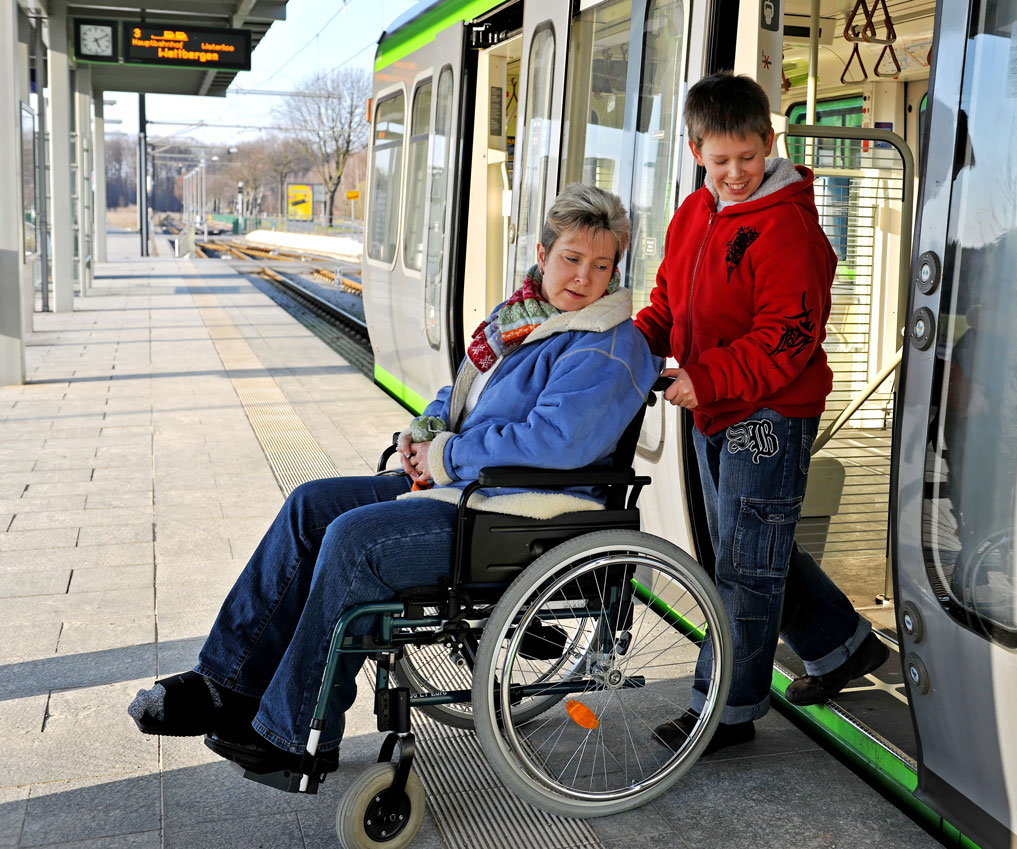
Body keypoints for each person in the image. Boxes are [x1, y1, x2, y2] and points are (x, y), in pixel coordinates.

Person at [128, 184, 661, 777]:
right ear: (542, 254)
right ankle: (228, 684)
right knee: (311, 505)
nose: (584, 276)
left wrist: (447, 455)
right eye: (571, 258)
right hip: (466, 486)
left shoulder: (610, 343)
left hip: (522, 510)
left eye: (601, 265)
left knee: (356, 540)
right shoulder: (519, 321)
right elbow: (464, 395)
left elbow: (556, 443)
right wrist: (423, 431)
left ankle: (299, 732)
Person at [635, 73, 888, 753]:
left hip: (768, 414)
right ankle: (841, 645)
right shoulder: (693, 214)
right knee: (752, 547)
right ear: (696, 153)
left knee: (743, 565)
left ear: (769, 143)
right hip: (714, 406)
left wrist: (706, 377)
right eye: (720, 162)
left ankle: (726, 710)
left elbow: (788, 336)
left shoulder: (788, 229)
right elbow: (669, 303)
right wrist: (630, 346)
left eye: (748, 157)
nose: (736, 173)